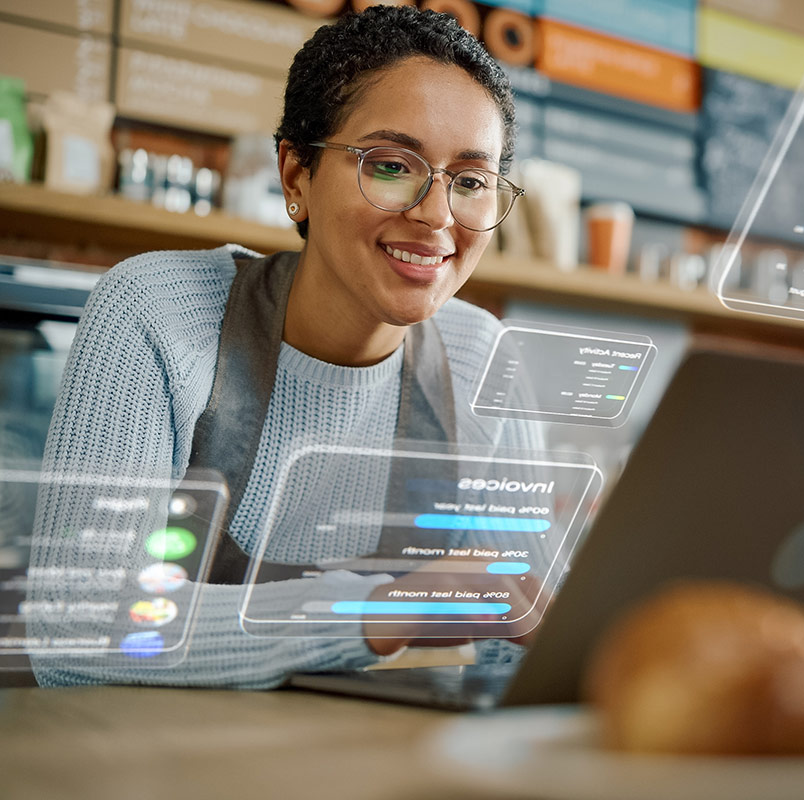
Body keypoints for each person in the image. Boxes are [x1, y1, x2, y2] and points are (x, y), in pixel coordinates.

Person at [31, 5, 539, 688]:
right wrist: (370, 613)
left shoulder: (483, 359)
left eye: (471, 181)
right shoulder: (157, 312)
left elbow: (520, 637)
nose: (436, 215)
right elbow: (72, 629)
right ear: (296, 176)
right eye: (391, 165)